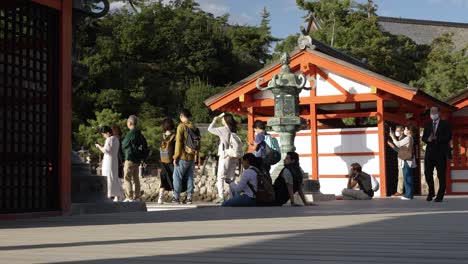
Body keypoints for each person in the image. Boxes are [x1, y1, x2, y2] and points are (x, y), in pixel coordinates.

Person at [208, 113, 239, 203]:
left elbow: (210, 129)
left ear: (225, 120)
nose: (221, 120)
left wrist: (214, 120)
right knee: (231, 177)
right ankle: (233, 196)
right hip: (233, 155)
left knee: (220, 176)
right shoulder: (233, 130)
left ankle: (221, 196)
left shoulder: (223, 129)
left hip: (225, 155)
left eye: (222, 119)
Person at [422, 106, 452, 202]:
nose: (433, 113)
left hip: (440, 152)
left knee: (441, 175)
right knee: (427, 173)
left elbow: (448, 137)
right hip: (430, 152)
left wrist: (437, 138)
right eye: (431, 112)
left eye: (434, 112)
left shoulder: (445, 124)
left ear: (439, 113)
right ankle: (431, 192)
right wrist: (428, 139)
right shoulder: (427, 124)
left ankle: (440, 195)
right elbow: (423, 138)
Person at [172, 109, 198, 204]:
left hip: (182, 156)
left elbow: (178, 142)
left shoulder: (181, 126)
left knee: (177, 176)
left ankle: (176, 197)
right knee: (190, 177)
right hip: (191, 156)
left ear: (182, 116)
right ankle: (189, 197)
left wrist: (175, 156)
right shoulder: (194, 127)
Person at [121, 115, 147, 202]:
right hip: (137, 159)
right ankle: (137, 196)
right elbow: (145, 145)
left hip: (130, 158)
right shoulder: (140, 134)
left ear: (130, 123)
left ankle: (129, 196)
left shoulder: (131, 133)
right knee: (136, 178)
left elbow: (124, 144)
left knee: (127, 177)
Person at [95, 126, 123, 202]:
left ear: (107, 133)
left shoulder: (109, 139)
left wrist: (99, 146)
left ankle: (109, 195)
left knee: (108, 178)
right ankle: (118, 195)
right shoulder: (116, 139)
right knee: (114, 177)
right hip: (114, 160)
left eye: (104, 134)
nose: (103, 136)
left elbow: (106, 150)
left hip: (109, 161)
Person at [390, 125, 418, 200]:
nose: (405, 130)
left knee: (407, 177)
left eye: (406, 129)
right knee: (408, 177)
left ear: (409, 131)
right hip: (408, 159)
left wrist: (392, 137)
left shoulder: (408, 138)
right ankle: (410, 194)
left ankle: (408, 195)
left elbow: (398, 144)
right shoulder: (410, 138)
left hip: (407, 160)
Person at [158, 118, 176, 204]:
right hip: (171, 161)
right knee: (173, 178)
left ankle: (160, 197)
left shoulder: (161, 137)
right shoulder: (174, 137)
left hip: (163, 161)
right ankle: (174, 197)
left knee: (163, 179)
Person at [387, 125, 405, 196]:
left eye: (398, 131)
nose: (397, 132)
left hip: (403, 159)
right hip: (400, 159)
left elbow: (400, 150)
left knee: (401, 176)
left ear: (402, 131)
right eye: (396, 131)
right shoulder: (400, 138)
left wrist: (392, 145)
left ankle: (400, 191)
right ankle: (400, 191)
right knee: (401, 176)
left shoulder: (404, 138)